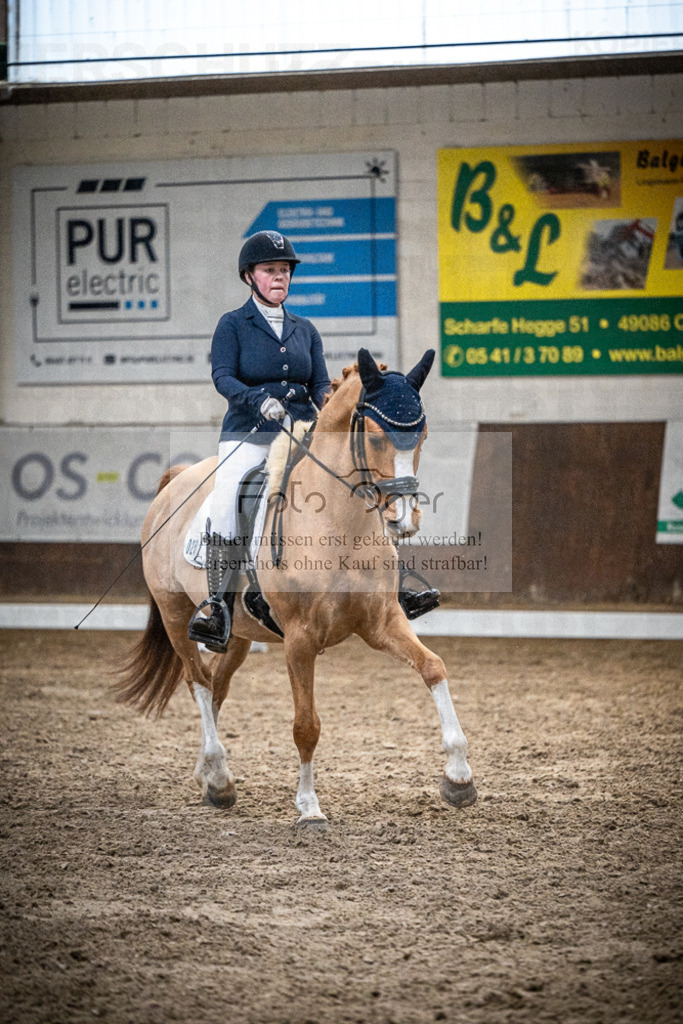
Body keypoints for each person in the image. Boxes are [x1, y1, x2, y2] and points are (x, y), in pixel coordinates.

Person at [188, 230, 331, 650]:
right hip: (248, 433)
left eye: (285, 270)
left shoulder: (305, 329)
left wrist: (334, 405)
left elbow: (320, 384)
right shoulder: (233, 324)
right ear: (249, 276)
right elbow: (222, 376)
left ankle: (391, 584)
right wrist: (257, 399)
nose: (280, 277)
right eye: (270, 270)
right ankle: (217, 607)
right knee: (226, 503)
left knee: (350, 485)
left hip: (300, 432)